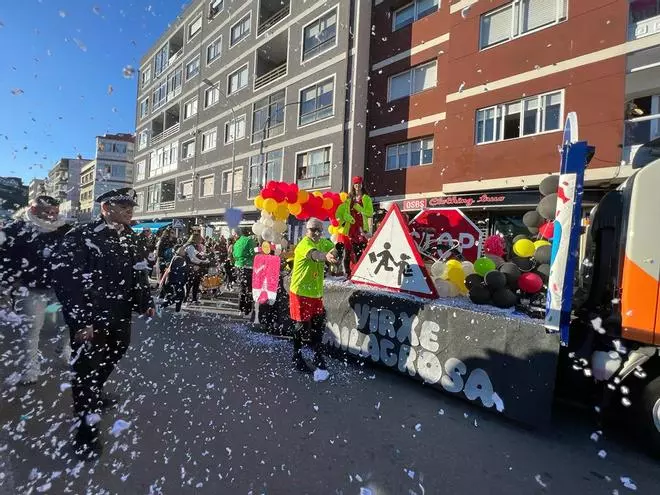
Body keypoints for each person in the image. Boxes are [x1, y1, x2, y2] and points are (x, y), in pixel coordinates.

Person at [52, 188, 154, 460]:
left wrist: (145, 300)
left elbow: (139, 271)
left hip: (119, 313)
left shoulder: (131, 237)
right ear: (106, 207)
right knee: (85, 369)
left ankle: (92, 392)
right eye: (123, 205)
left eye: (131, 204)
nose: (130, 209)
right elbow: (68, 282)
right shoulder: (82, 236)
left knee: (118, 350)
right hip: (90, 317)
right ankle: (85, 431)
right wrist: (82, 321)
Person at [0, 196, 72, 384]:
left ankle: (64, 349)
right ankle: (30, 368)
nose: (51, 216)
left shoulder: (65, 230)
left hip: (60, 287)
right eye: (47, 212)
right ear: (33, 211)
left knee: (73, 320)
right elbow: (5, 258)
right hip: (30, 288)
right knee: (32, 330)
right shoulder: (16, 229)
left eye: (55, 212)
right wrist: (8, 284)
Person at [289, 218, 339, 373]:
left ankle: (317, 355)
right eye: (313, 229)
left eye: (319, 229)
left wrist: (335, 252)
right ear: (306, 230)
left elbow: (333, 247)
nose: (316, 232)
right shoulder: (304, 244)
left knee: (318, 324)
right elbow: (315, 255)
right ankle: (296, 356)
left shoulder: (323, 242)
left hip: (316, 293)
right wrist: (327, 257)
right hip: (300, 292)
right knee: (301, 326)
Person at [335, 176, 374, 277]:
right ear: (353, 185)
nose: (358, 186)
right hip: (350, 228)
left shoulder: (366, 198)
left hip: (361, 228)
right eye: (356, 184)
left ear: (362, 185)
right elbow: (344, 212)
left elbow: (370, 213)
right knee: (347, 252)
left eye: (359, 184)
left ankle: (361, 273)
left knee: (360, 252)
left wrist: (359, 208)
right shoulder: (349, 198)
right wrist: (346, 218)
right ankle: (348, 274)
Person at [233, 227, 256, 317]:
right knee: (249, 289)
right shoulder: (249, 241)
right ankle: (247, 310)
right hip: (248, 267)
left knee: (242, 288)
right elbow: (252, 253)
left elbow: (234, 255)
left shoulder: (237, 242)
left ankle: (241, 309)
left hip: (238, 267)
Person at [160, 245, 188, 312]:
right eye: (182, 249)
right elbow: (176, 271)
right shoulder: (179, 258)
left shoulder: (177, 257)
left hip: (176, 280)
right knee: (180, 296)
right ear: (177, 251)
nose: (184, 251)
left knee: (180, 295)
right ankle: (162, 306)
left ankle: (177, 310)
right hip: (176, 280)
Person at [184, 230, 207, 304]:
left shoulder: (197, 246)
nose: (201, 239)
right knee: (189, 283)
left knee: (196, 283)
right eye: (200, 238)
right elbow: (192, 258)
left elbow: (200, 255)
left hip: (196, 267)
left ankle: (194, 298)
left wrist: (204, 258)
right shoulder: (190, 246)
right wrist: (202, 261)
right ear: (196, 239)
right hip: (191, 267)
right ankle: (185, 298)